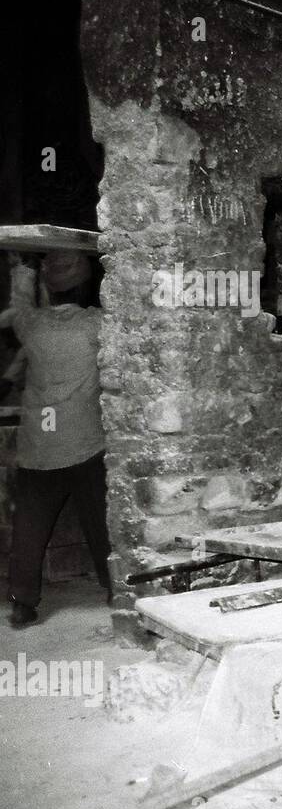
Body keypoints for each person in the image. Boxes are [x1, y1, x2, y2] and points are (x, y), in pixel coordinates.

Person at [2, 251, 112, 628]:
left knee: (29, 529)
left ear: (50, 286)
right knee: (101, 521)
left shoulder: (31, 326)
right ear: (85, 284)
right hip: (85, 442)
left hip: (39, 445)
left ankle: (22, 603)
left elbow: (19, 304)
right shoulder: (96, 325)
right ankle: (115, 587)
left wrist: (23, 269)